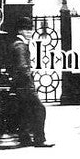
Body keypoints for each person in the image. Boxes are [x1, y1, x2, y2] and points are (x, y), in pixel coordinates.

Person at [9, 17, 53, 147]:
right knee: (40, 109)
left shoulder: (16, 44)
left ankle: (25, 139)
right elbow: (23, 67)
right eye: (26, 30)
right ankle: (39, 139)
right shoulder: (20, 46)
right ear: (20, 31)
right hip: (25, 85)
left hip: (19, 84)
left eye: (30, 30)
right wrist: (30, 83)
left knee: (25, 110)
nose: (29, 32)